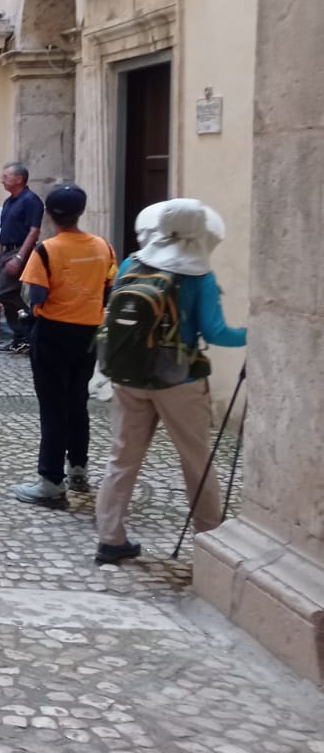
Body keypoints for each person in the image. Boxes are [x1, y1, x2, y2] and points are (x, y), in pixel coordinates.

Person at [92, 199, 246, 565]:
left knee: (122, 458)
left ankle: (110, 539)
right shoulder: (199, 276)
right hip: (180, 381)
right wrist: (253, 334)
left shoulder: (133, 262)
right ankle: (209, 542)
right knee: (196, 460)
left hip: (128, 375)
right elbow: (217, 332)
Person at [11, 184, 117, 510]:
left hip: (53, 333)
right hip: (88, 333)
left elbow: (35, 296)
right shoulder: (103, 247)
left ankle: (50, 482)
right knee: (77, 401)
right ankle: (79, 469)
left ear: (49, 215)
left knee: (53, 407)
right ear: (80, 211)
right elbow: (109, 287)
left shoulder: (46, 250)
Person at [0, 161, 45, 354]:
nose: (2, 180)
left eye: (6, 176)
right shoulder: (8, 202)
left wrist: (20, 257)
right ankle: (21, 336)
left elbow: (34, 231)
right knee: (8, 292)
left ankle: (32, 326)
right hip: (7, 251)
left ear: (19, 179)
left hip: (20, 251)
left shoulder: (31, 200)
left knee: (3, 291)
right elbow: (2, 232)